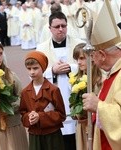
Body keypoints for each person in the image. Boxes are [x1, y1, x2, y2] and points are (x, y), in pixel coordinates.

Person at [37, 11, 84, 150]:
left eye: (63, 25)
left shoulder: (78, 44)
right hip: (53, 96)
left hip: (74, 94)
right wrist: (52, 71)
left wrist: (72, 68)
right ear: (49, 28)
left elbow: (89, 66)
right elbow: (34, 72)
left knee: (75, 135)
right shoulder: (41, 48)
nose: (61, 29)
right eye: (56, 26)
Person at [82, 0, 121, 150]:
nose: (91, 59)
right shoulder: (112, 73)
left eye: (93, 55)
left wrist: (98, 106)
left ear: (102, 55)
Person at [20, 51, 66, 150]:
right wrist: (29, 117)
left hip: (52, 135)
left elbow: (61, 115)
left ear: (43, 68)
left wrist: (40, 117)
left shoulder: (53, 90)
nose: (32, 72)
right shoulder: (25, 92)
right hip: (35, 135)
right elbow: (23, 114)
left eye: (35, 68)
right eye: (29, 69)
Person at [72, 43, 102, 150]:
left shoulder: (99, 80)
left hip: (93, 124)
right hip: (81, 125)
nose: (79, 62)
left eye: (82, 58)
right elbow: (73, 102)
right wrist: (75, 112)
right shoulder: (76, 79)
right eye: (77, 59)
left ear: (91, 57)